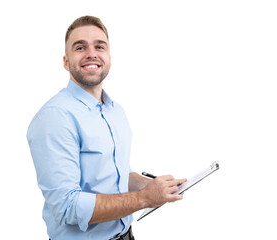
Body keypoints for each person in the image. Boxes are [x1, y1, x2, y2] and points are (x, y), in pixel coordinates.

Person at [27, 15, 186, 240]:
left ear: (109, 58)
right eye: (80, 47)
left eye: (99, 46)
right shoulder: (55, 117)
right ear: (66, 62)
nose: (91, 53)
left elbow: (117, 175)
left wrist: (156, 187)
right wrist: (145, 198)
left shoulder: (115, 111)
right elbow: (67, 207)